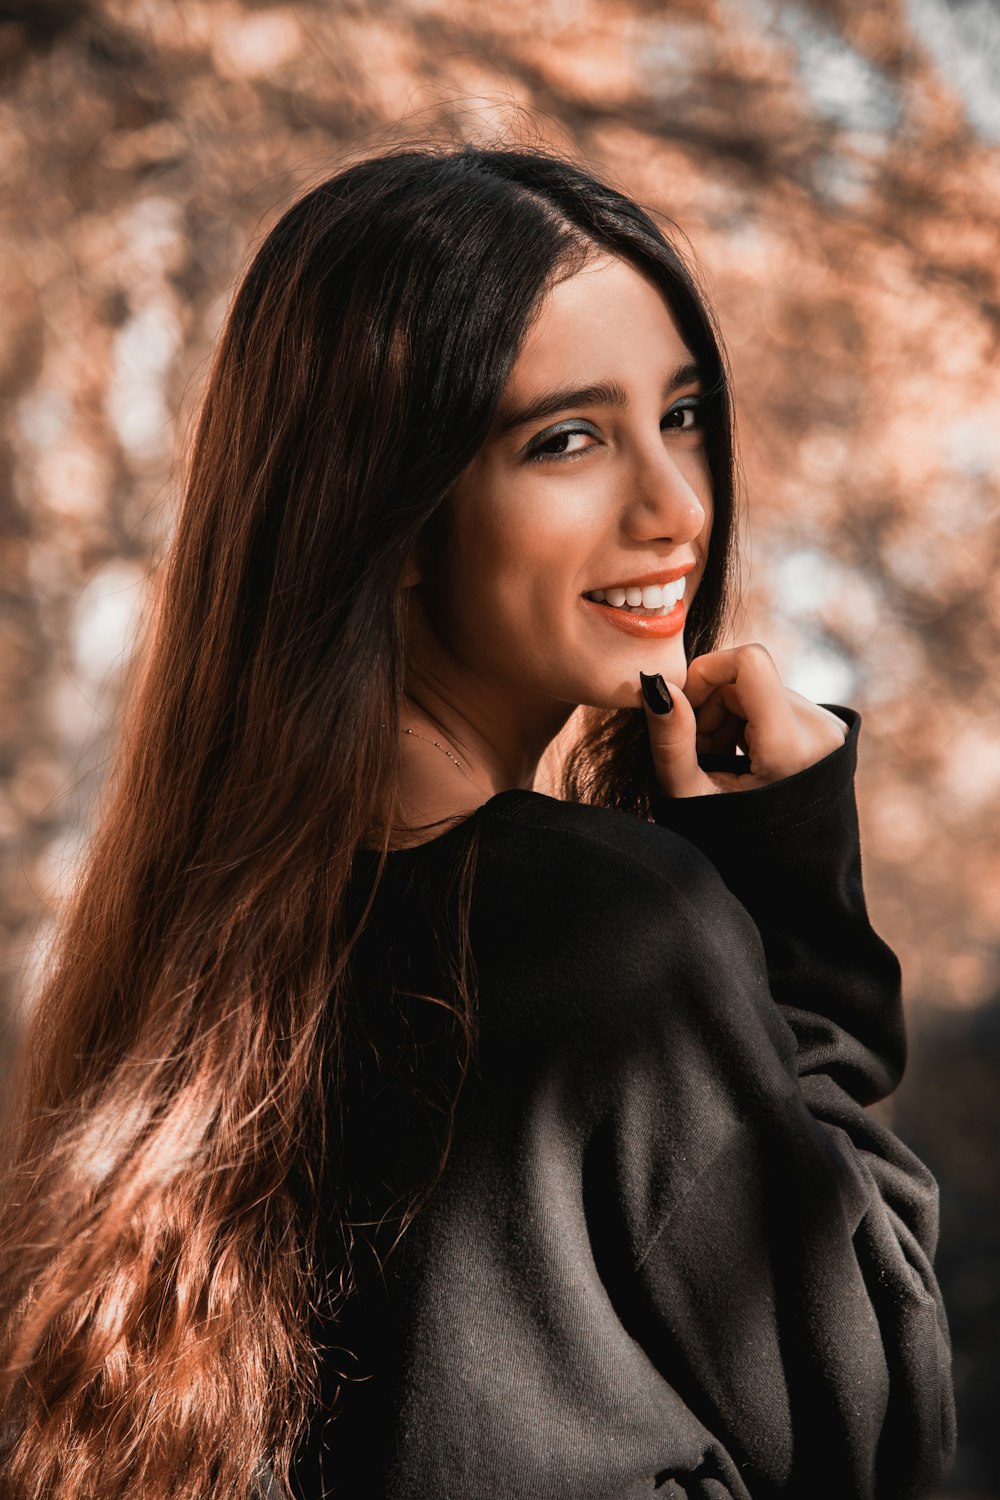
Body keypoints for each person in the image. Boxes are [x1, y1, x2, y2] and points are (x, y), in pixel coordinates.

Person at [0, 144, 954, 1500]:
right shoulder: (607, 933)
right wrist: (792, 896)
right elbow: (874, 1421)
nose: (675, 505)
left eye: (683, 415)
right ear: (387, 515)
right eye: (566, 439)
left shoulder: (191, 968)